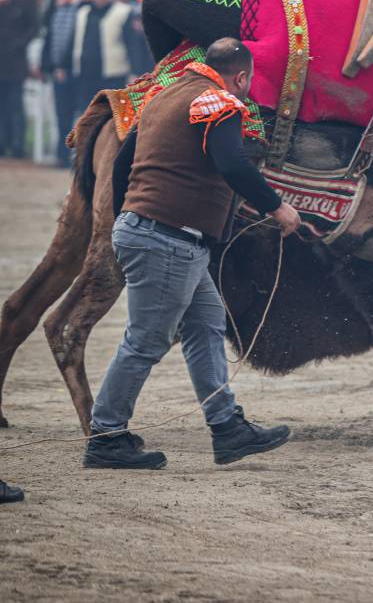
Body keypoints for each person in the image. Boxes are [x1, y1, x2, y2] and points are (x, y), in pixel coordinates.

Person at [84, 38, 303, 469]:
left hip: (159, 235)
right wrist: (277, 207)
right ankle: (106, 437)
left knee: (206, 324)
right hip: (167, 238)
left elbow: (120, 166)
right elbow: (233, 164)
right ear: (240, 78)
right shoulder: (218, 102)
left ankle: (227, 428)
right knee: (146, 339)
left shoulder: (163, 96)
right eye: (246, 83)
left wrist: (132, 214)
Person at [65, 0, 149, 113]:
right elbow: (73, 41)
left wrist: (135, 72)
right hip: (85, 74)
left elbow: (133, 45)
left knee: (113, 116)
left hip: (113, 75)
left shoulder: (124, 12)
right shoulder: (82, 13)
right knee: (86, 116)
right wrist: (64, 65)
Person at [40, 0, 86, 165]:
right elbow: (50, 35)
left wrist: (64, 64)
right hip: (58, 70)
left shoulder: (84, 2)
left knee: (81, 114)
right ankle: (61, 155)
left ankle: (79, 157)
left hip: (77, 69)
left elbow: (75, 37)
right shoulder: (55, 3)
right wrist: (48, 65)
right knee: (62, 114)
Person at [0, 0, 40, 159]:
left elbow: (33, 27)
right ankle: (2, 143)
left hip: (15, 62)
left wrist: (19, 44)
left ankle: (17, 145)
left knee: (16, 105)